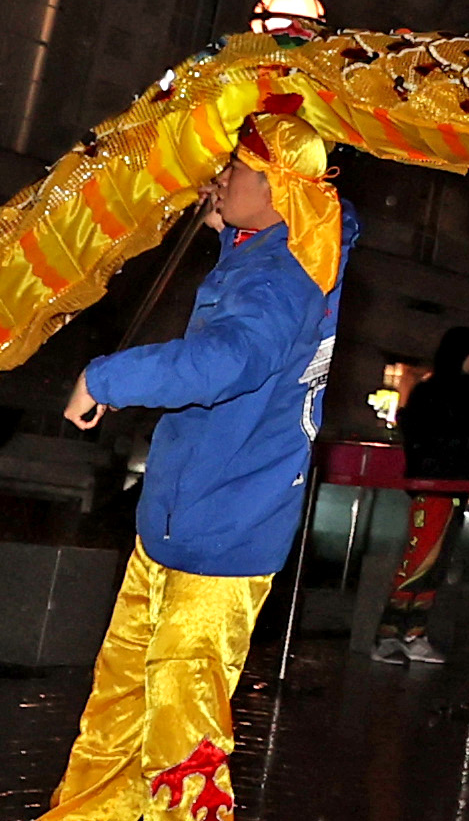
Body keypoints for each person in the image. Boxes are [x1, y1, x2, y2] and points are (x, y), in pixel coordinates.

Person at [46, 113, 342, 821]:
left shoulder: (280, 278)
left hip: (221, 542)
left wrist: (106, 379)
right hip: (180, 523)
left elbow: (225, 361)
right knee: (121, 704)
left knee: (183, 730)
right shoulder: (274, 252)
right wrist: (235, 230)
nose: (219, 178)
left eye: (237, 168)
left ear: (276, 186)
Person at [375, 323, 469, 664]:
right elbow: (426, 442)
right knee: (417, 561)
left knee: (435, 564)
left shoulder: (464, 393)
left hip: (455, 488)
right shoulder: (432, 393)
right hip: (433, 488)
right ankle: (387, 634)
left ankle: (413, 633)